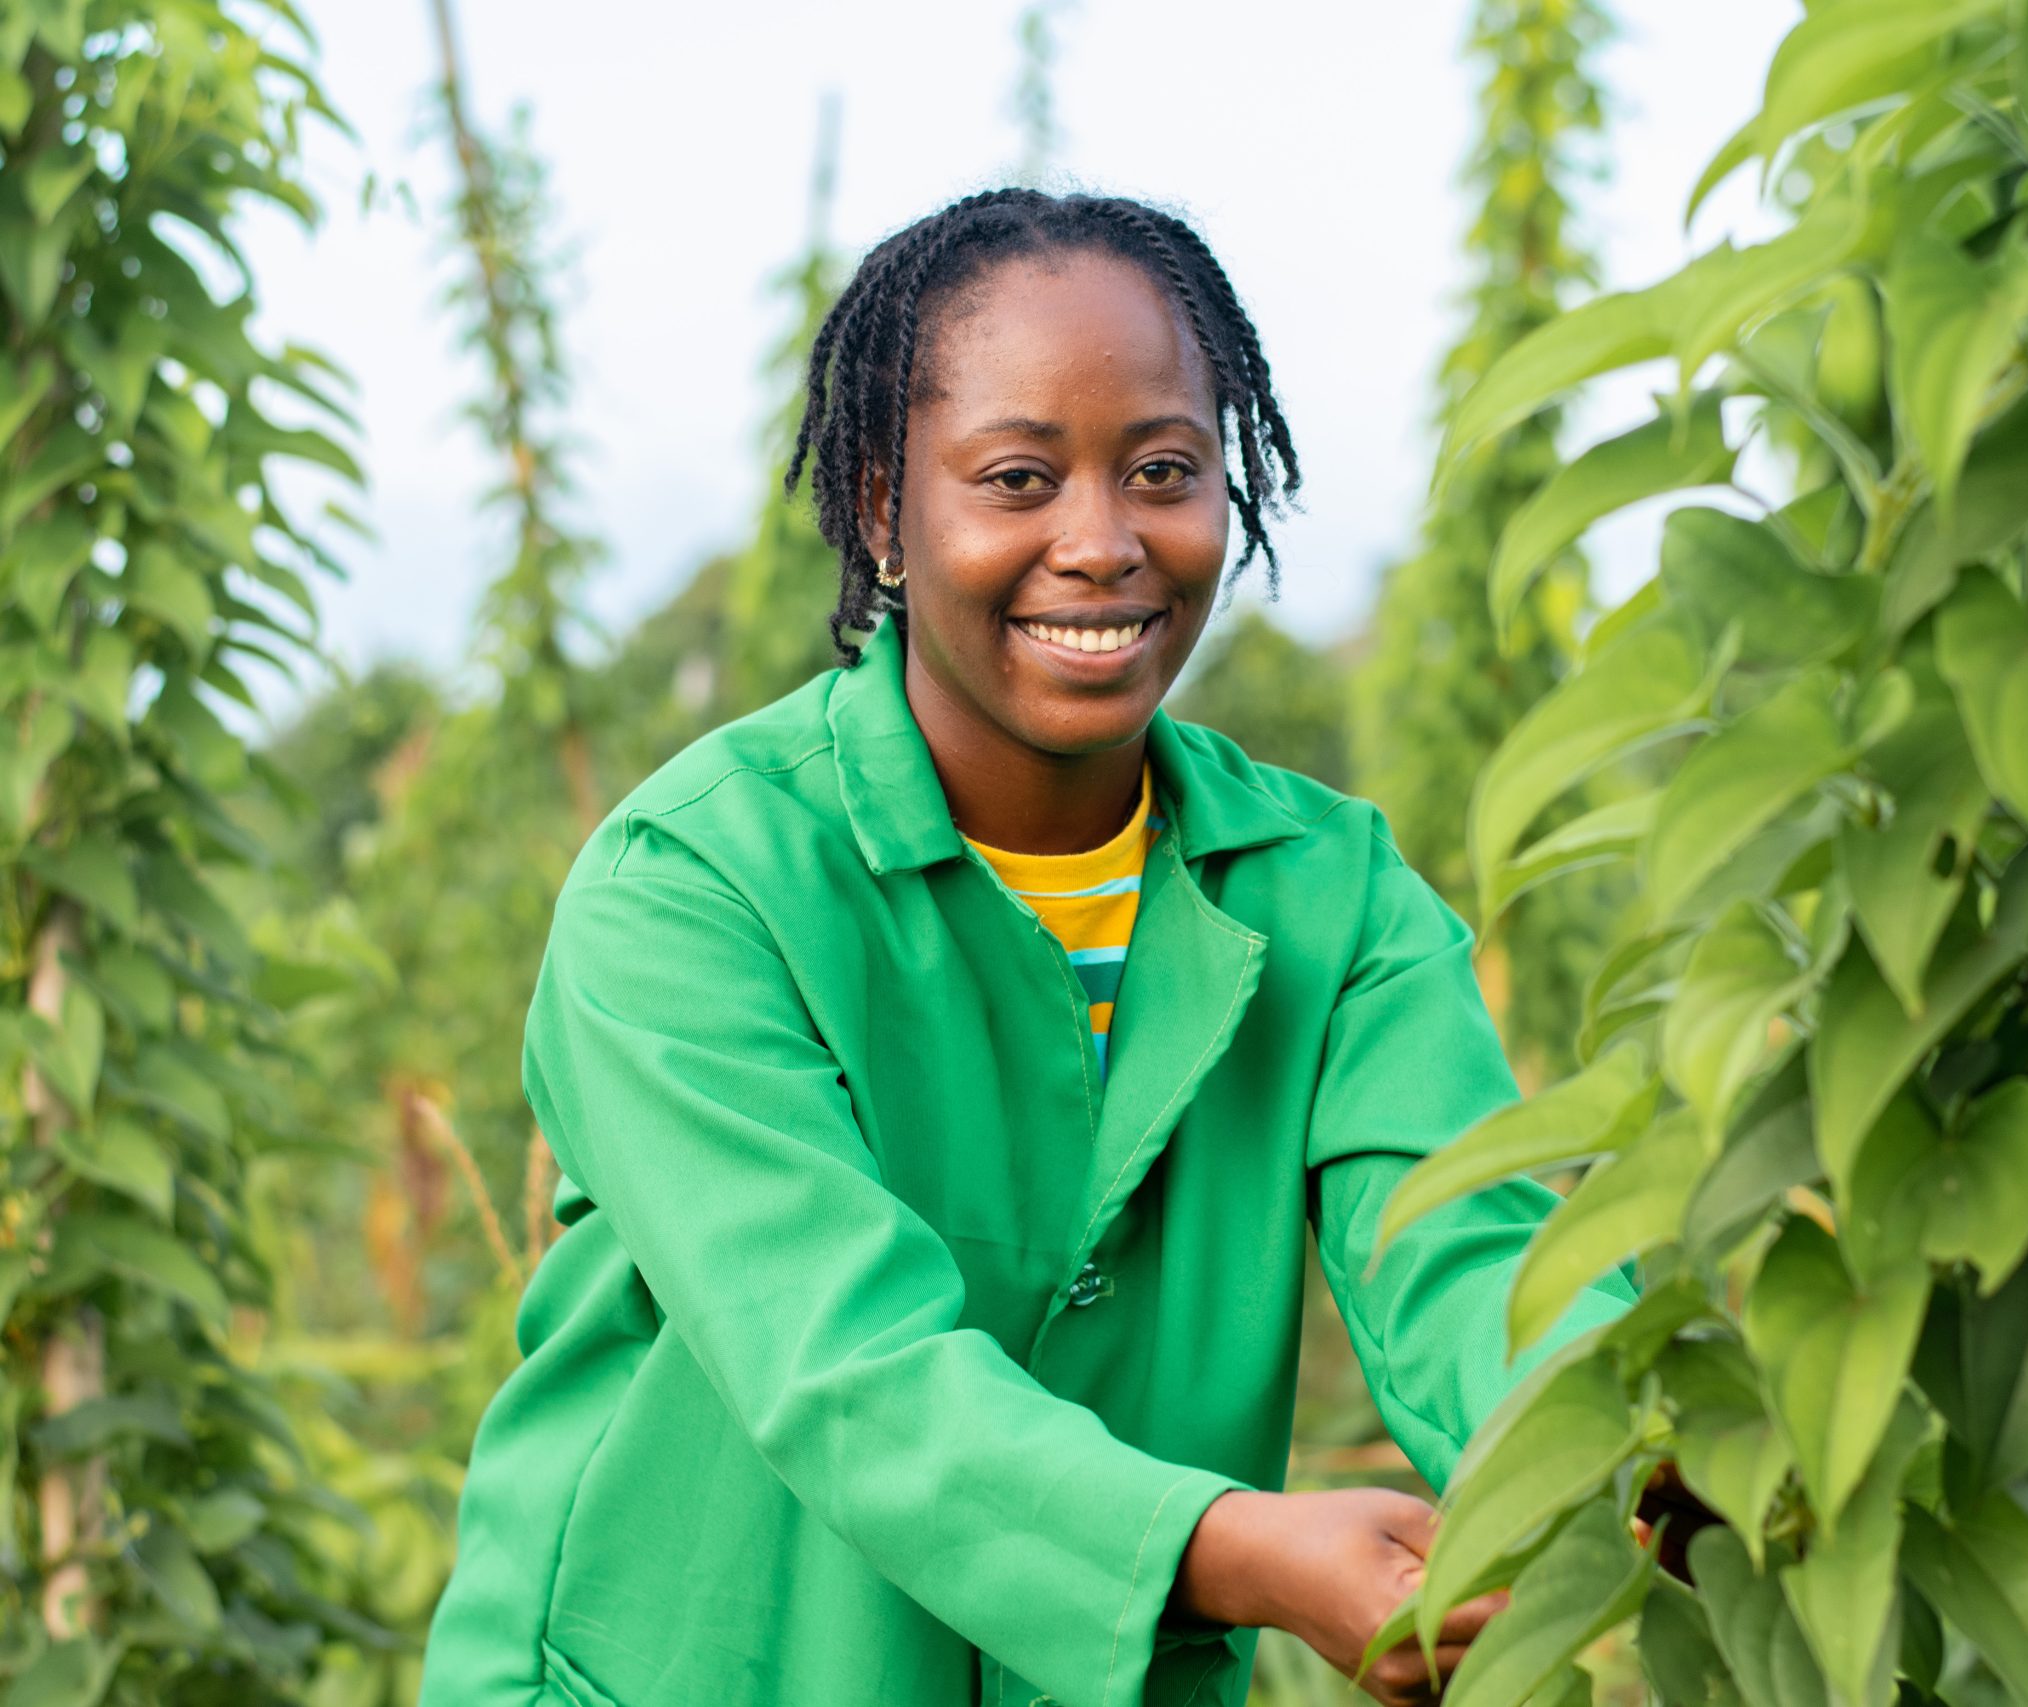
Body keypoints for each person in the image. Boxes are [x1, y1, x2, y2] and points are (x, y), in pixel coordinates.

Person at [416, 187, 1637, 1707]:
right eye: (1016, 478)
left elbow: (1470, 1251)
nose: (1104, 542)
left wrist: (1642, 1445)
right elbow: (840, 1360)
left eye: (1165, 471)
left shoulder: (1335, 896)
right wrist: (1232, 1550)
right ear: (882, 510)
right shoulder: (694, 888)